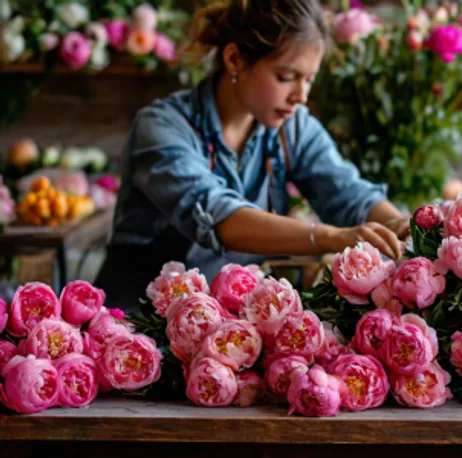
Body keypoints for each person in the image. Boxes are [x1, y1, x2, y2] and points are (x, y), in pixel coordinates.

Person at [94, 0, 410, 311]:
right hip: (140, 321)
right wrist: (330, 237)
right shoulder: (162, 127)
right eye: (286, 77)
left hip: (231, 321)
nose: (301, 96)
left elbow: (349, 194)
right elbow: (220, 218)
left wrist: (401, 229)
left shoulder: (291, 126)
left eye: (309, 79)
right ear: (235, 59)